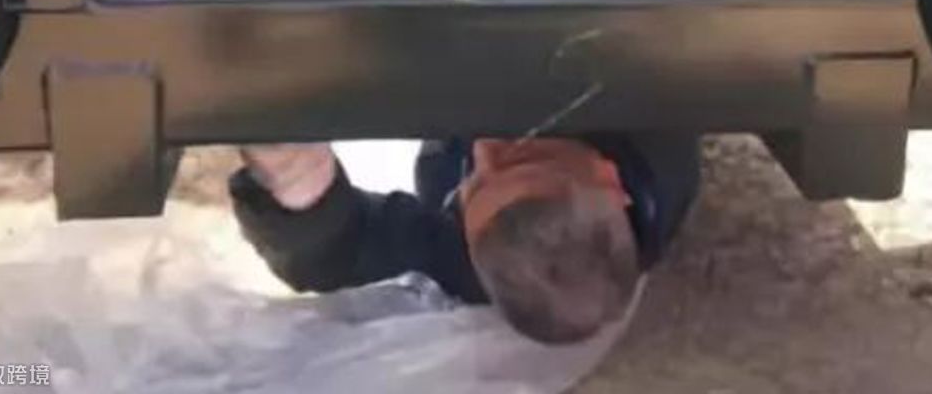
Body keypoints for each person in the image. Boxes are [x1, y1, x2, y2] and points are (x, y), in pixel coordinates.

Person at [229, 133, 700, 345]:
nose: (483, 148)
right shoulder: (655, 122)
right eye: (521, 157)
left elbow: (340, 256)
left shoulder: (494, 257)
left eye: (473, 186)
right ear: (609, 178)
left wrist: (300, 185)